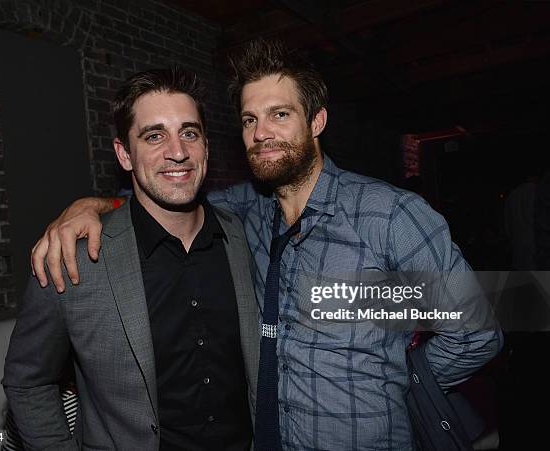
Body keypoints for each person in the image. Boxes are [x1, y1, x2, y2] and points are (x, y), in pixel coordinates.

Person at [31, 40, 502, 450]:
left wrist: (400, 377)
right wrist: (87, 206)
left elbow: (474, 331)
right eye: (249, 119)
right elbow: (167, 192)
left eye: (280, 114)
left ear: (317, 120)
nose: (262, 134)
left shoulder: (388, 215)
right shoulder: (246, 214)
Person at [3, 67, 258, 451]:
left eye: (189, 132)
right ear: (124, 154)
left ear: (206, 146)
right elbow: (27, 379)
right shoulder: (75, 257)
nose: (177, 151)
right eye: (154, 136)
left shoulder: (241, 236)